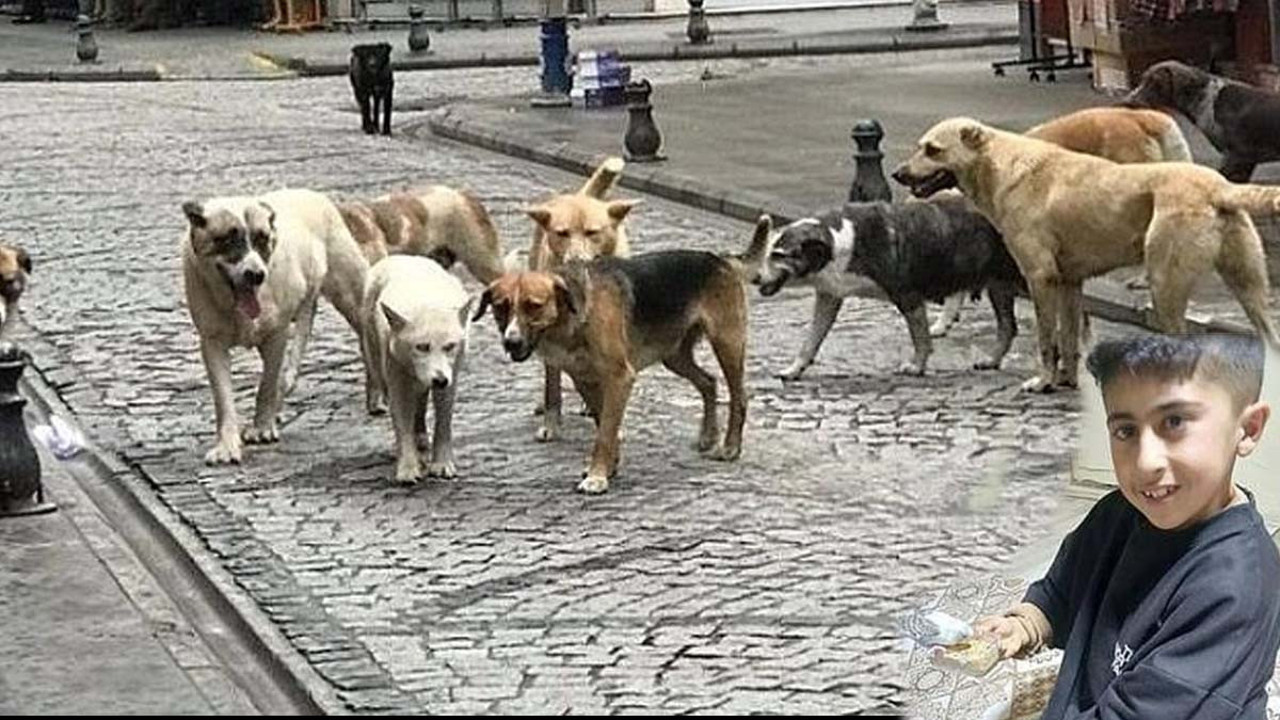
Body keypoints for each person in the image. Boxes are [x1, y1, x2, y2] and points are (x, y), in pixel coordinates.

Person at [975, 332, 1280, 719]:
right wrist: (1025, 625)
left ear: (1249, 429)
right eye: (1126, 431)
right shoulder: (1117, 513)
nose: (1146, 461)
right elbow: (1061, 593)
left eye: (1174, 422)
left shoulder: (1235, 588)